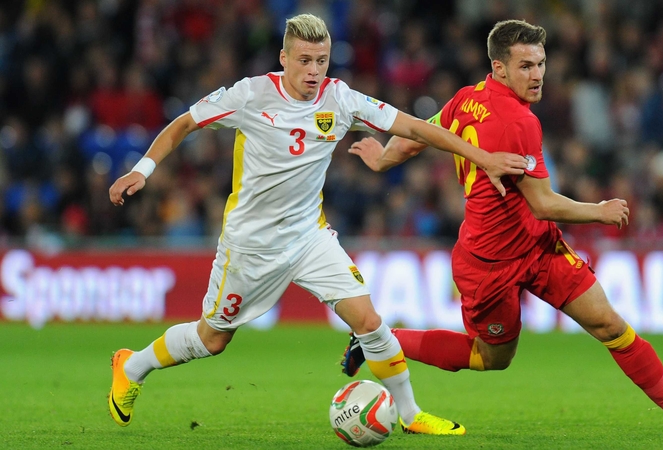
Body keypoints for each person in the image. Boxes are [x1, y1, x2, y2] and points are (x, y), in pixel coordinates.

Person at [107, 13, 529, 435]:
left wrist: (483, 157)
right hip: (251, 246)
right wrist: (143, 170)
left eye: (322, 61)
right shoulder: (250, 95)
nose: (313, 71)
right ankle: (134, 364)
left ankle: (410, 414)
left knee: (368, 321)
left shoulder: (340, 99)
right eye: (305, 60)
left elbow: (417, 128)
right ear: (284, 58)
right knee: (212, 340)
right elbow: (183, 123)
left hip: (310, 238)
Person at [341, 19, 663, 433]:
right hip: (488, 263)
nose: (538, 74)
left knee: (609, 324)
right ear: (499, 67)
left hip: (537, 248)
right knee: (493, 358)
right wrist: (599, 211)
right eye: (525, 65)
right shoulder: (518, 122)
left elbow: (420, 135)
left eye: (541, 63)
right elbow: (543, 203)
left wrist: (383, 159)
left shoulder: (465, 98)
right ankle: (383, 339)